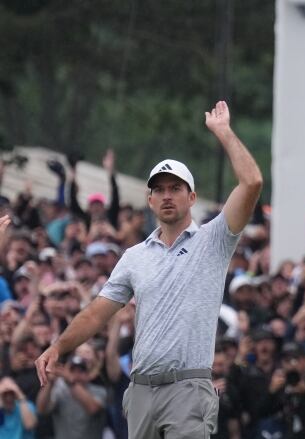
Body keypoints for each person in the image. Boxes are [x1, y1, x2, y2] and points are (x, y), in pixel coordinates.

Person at [34, 100, 263, 438]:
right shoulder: (134, 256)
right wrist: (58, 347)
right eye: (159, 190)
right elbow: (97, 314)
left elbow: (253, 183)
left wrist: (224, 133)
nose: (167, 195)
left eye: (175, 188)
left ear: (192, 196)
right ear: (150, 200)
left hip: (188, 389)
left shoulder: (214, 239)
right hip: (140, 390)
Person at [35, 351, 108, 439]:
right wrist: (50, 383)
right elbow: (41, 409)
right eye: (72, 370)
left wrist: (70, 381)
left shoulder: (99, 391)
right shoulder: (60, 389)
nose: (76, 375)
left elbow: (92, 408)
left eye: (81, 371)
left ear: (88, 375)